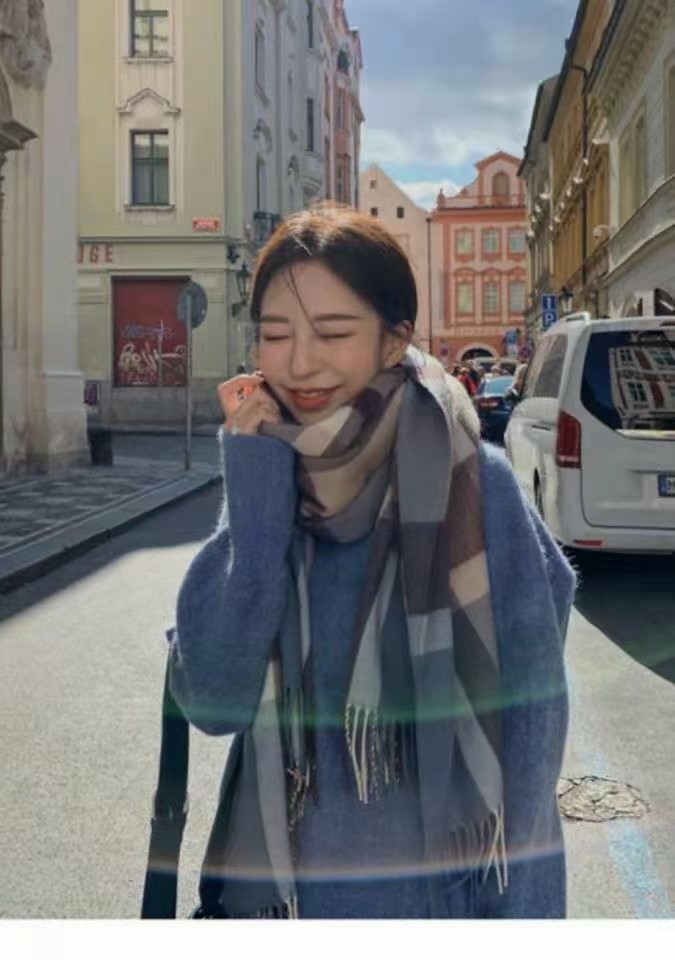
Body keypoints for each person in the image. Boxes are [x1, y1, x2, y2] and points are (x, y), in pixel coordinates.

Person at [168, 204, 576, 920]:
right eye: (274, 334)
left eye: (332, 333)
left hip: (436, 908)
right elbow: (212, 702)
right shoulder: (269, 483)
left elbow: (532, 738)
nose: (300, 362)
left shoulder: (474, 485)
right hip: (284, 908)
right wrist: (255, 492)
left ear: (394, 341)